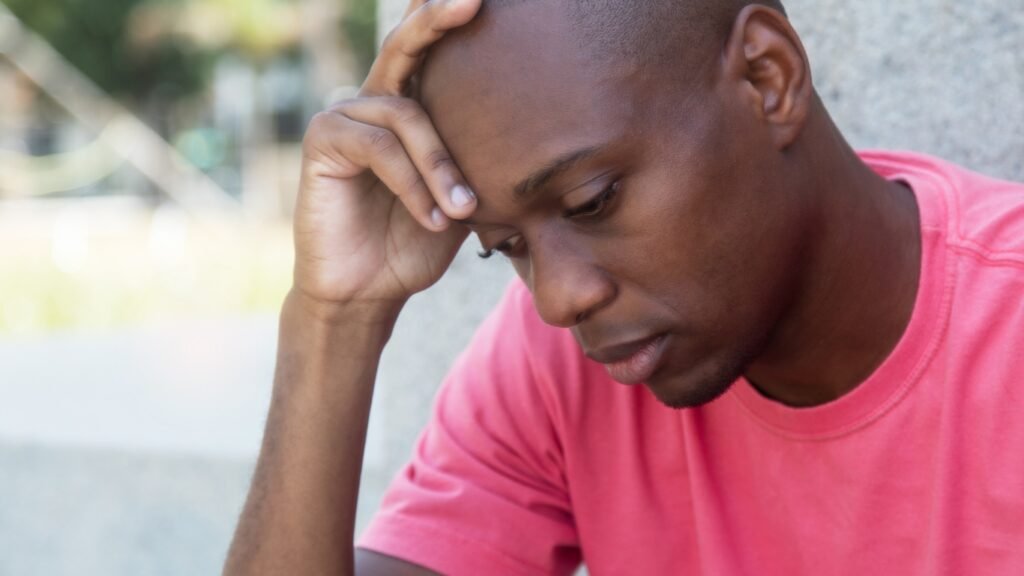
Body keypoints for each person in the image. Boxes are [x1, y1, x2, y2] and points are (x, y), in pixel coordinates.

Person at [224, 0, 1024, 573]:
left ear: (766, 76)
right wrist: (333, 321)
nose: (558, 299)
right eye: (505, 246)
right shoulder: (557, 364)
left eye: (591, 201)